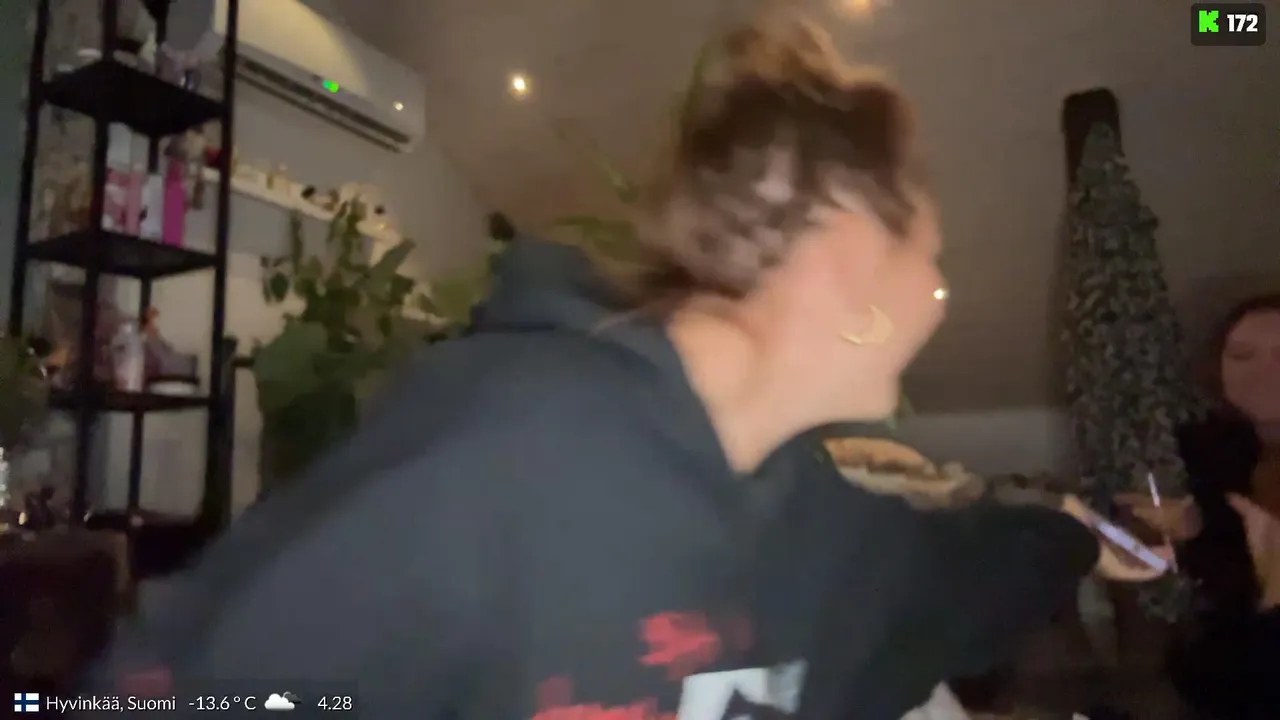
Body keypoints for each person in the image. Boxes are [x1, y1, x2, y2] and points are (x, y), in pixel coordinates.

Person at [87, 19, 1161, 719]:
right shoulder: (511, 447)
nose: (939, 296)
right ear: (844, 249)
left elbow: (956, 575)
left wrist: (1077, 535)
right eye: (927, 256)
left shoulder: (818, 526)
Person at [1121, 294, 1280, 719]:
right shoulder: (1213, 446)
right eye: (1242, 355)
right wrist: (1194, 526)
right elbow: (1225, 561)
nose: (1264, 372)